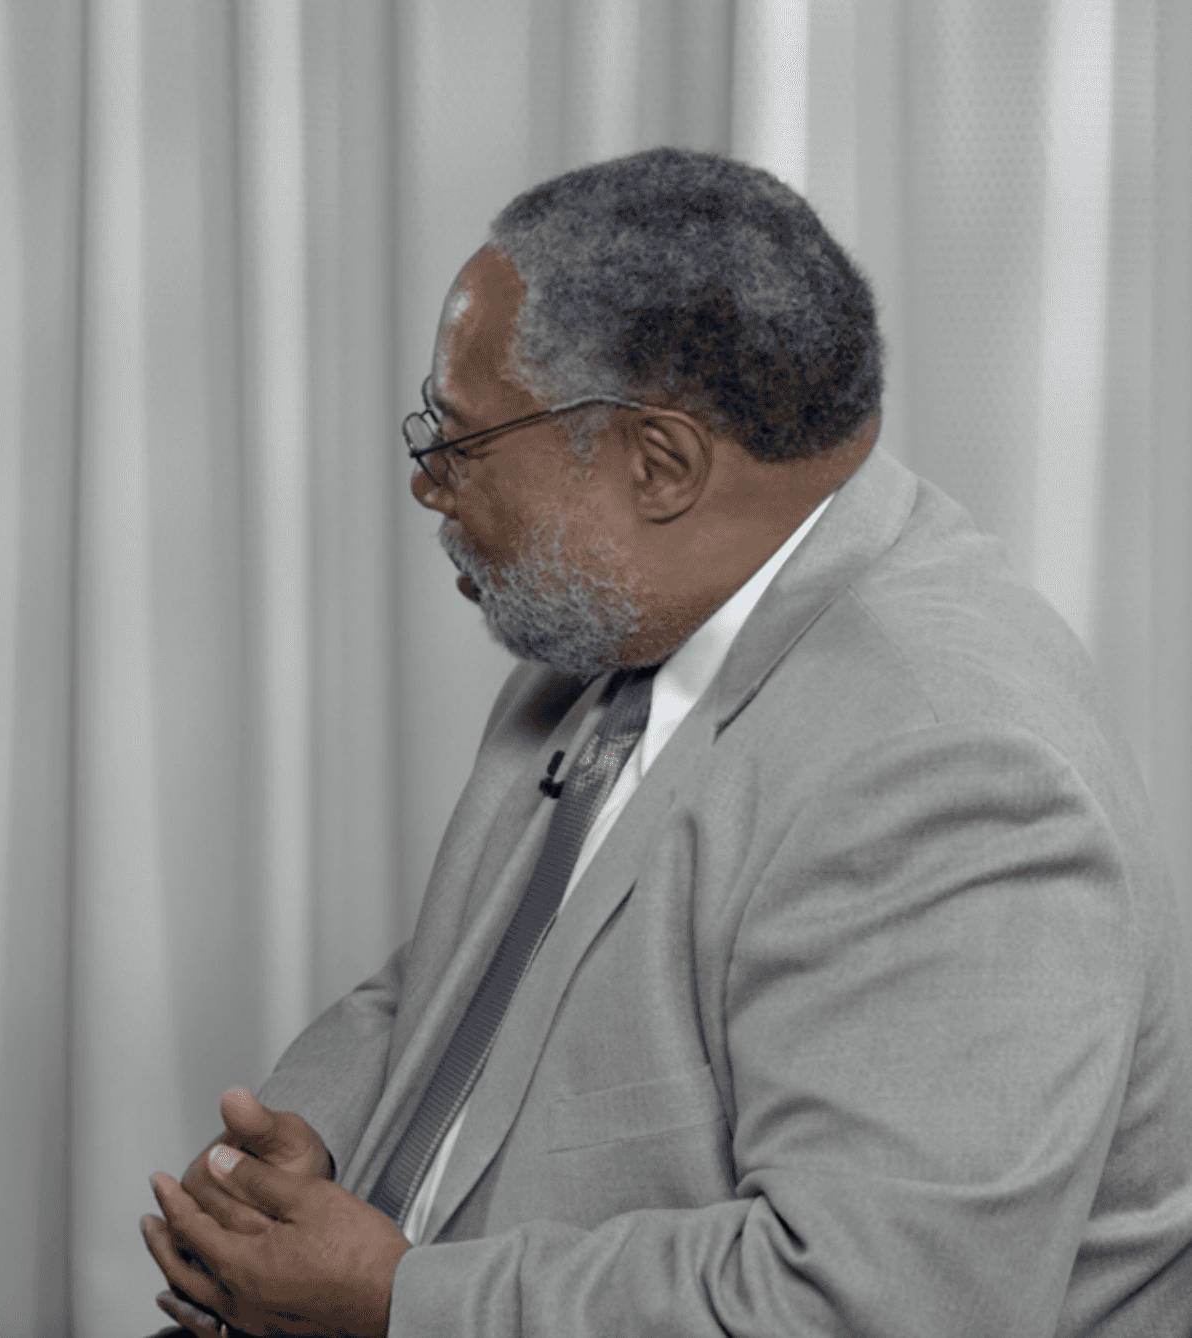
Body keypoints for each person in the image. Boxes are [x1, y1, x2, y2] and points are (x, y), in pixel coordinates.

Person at [140, 148, 1192, 1337]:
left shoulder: (951, 770)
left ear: (659, 463)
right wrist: (306, 1146)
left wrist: (391, 1302)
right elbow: (462, 966)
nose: (430, 484)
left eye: (464, 441)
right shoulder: (625, 603)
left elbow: (864, 1304)